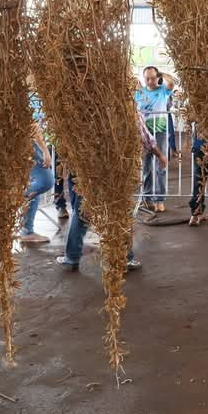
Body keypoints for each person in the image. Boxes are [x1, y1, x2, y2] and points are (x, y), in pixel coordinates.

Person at [56, 109, 161, 272]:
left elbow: (63, 137)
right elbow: (145, 138)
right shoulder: (121, 105)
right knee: (118, 211)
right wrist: (159, 154)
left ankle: (72, 257)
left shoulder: (74, 108)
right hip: (112, 166)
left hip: (85, 166)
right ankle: (124, 258)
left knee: (83, 212)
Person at [19, 86, 55, 244]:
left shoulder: (38, 92)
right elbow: (32, 126)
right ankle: (17, 200)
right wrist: (45, 150)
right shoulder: (29, 94)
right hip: (31, 145)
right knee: (46, 181)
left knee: (36, 187)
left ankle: (27, 230)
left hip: (31, 144)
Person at [135, 66, 171, 212]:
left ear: (158, 77)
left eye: (152, 77)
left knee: (161, 165)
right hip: (144, 133)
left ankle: (159, 199)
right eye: (147, 78)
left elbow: (172, 83)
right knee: (146, 166)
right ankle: (147, 197)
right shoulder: (139, 93)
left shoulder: (163, 90)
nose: (149, 81)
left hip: (160, 130)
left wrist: (162, 74)